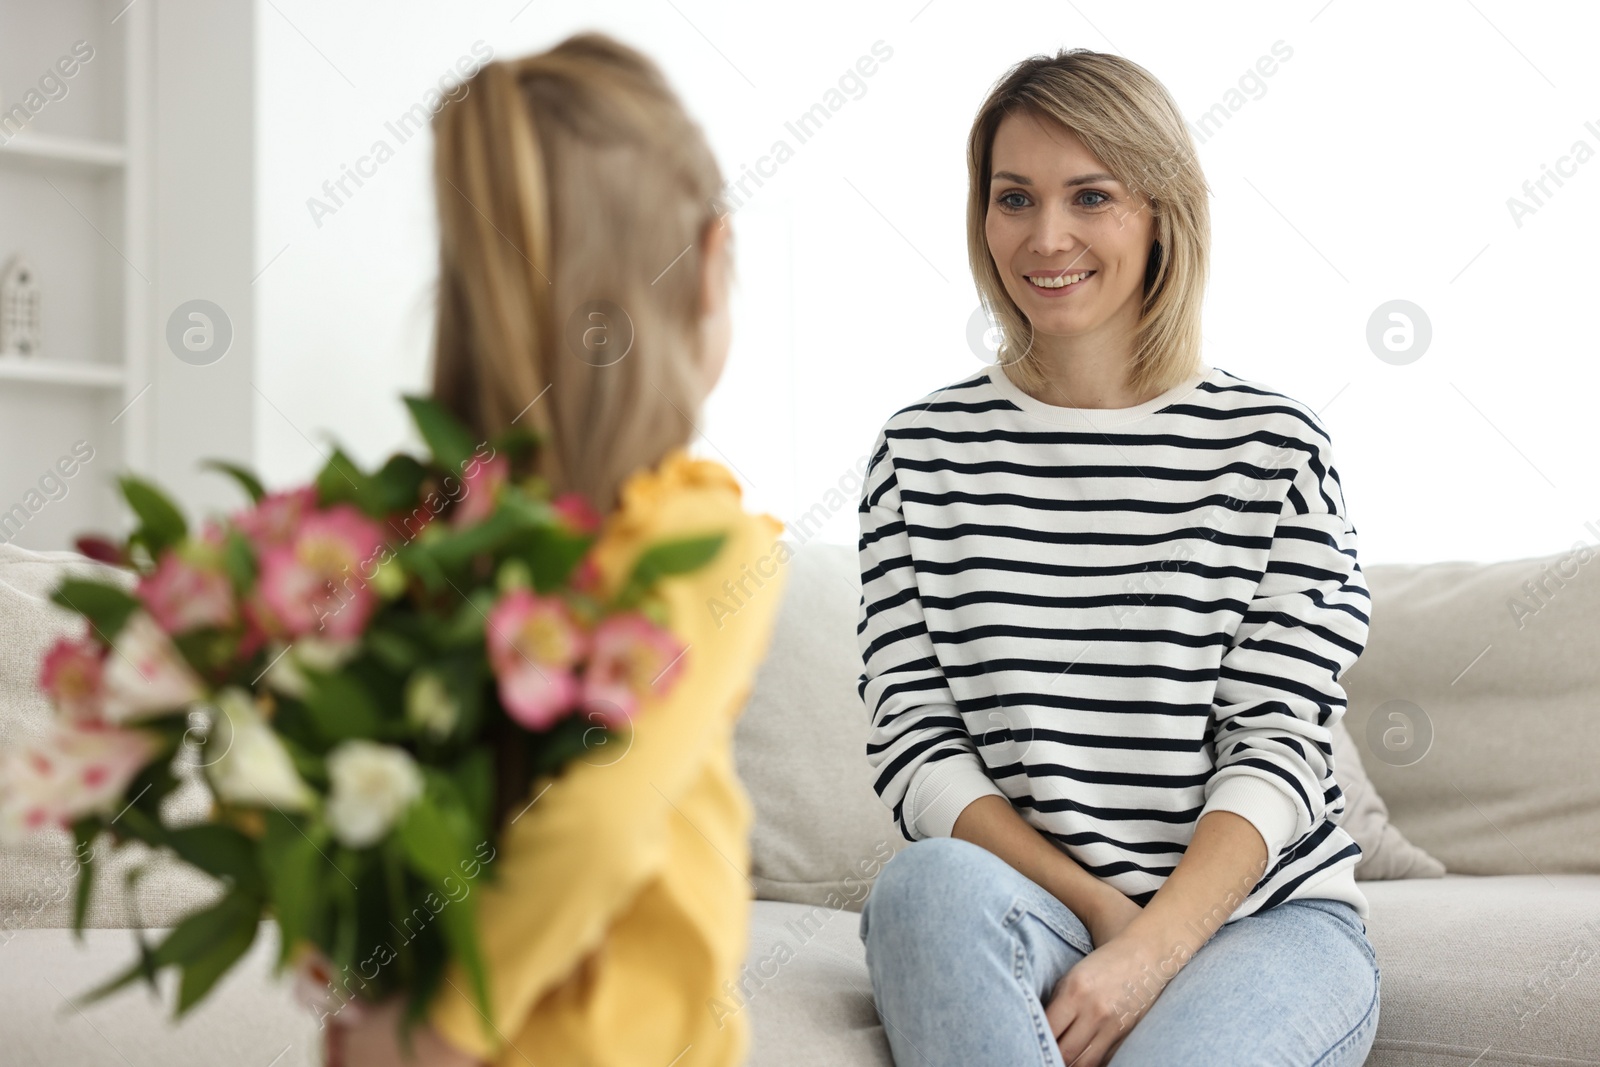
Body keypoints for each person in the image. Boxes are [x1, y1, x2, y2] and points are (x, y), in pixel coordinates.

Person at [856, 49, 1381, 1067]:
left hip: (1260, 922)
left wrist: (1153, 946)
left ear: (1160, 212)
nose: (1044, 237)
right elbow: (916, 742)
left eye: (1089, 196)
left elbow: (1277, 744)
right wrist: (1104, 916)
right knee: (918, 885)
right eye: (1013, 198)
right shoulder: (921, 451)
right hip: (1045, 910)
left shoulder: (1273, 448)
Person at [324, 32, 789, 1067]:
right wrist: (443, 1031)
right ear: (710, 264)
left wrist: (381, 999)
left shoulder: (423, 537)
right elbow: (604, 820)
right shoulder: (700, 542)